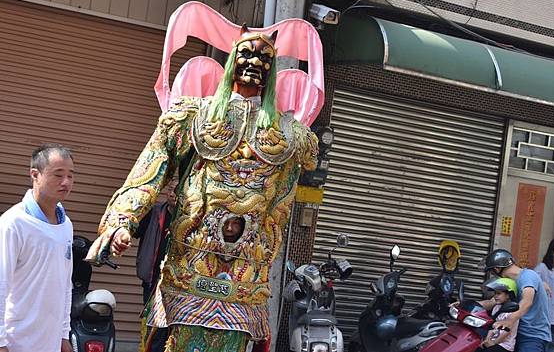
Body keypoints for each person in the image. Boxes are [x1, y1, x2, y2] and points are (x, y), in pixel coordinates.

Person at [86, 26, 318, 351]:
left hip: (244, 277)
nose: (253, 62)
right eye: (246, 53)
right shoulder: (194, 116)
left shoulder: (291, 137)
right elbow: (150, 171)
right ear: (232, 60)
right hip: (189, 267)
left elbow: (282, 202)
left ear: (273, 68)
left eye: (264, 57)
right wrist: (122, 221)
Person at [0, 144, 75, 352]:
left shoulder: (66, 224)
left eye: (70, 175)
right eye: (58, 175)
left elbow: (65, 282)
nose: (66, 182)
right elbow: (1, 283)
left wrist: (63, 333)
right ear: (35, 174)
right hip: (17, 340)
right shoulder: (14, 222)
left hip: (50, 341)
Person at [133, 179, 177, 352]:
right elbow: (134, 229)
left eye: (178, 190)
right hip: (153, 282)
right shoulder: (154, 213)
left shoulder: (191, 217)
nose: (173, 194)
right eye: (171, 190)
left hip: (179, 284)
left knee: (173, 330)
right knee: (155, 330)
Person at [481, 249, 552, 352]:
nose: (493, 275)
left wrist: (509, 320)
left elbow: (527, 302)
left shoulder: (528, 276)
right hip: (511, 332)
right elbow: (492, 302)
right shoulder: (508, 283)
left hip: (532, 335)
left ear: (497, 269)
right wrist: (467, 305)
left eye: (492, 272)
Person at [477, 278, 520, 352]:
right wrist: (487, 340)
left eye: (498, 293)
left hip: (505, 345)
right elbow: (492, 326)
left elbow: (507, 331)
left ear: (508, 295)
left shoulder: (512, 311)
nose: (495, 296)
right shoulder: (497, 307)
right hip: (493, 341)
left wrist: (494, 342)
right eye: (495, 293)